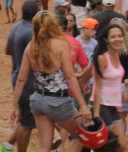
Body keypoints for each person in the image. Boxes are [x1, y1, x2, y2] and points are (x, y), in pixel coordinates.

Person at [11, 12, 92, 152]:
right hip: (58, 101)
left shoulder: (31, 47)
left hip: (38, 101)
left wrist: (14, 105)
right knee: (83, 136)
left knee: (44, 146)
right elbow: (69, 76)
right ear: (53, 25)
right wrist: (84, 107)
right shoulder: (61, 44)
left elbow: (21, 79)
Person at [0, 0, 40, 152]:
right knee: (26, 124)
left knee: (25, 118)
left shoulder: (15, 27)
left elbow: (7, 50)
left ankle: (6, 146)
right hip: (27, 81)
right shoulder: (32, 32)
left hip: (16, 76)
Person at [91, 24, 126, 149]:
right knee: (109, 145)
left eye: (120, 36)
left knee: (121, 145)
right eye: (113, 37)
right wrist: (96, 114)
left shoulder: (116, 54)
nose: (117, 39)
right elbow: (97, 86)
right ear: (106, 39)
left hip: (113, 105)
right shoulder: (102, 58)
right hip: (102, 105)